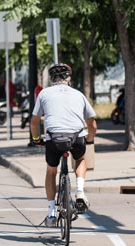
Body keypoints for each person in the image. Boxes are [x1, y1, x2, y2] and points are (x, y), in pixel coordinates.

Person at [30, 63, 97, 228]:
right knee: (80, 159)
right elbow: (92, 123)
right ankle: (80, 191)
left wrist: (37, 138)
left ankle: (51, 213)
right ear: (69, 78)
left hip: (54, 138)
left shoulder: (44, 94)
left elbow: (34, 121)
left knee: (51, 170)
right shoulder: (78, 94)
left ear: (52, 79)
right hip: (76, 137)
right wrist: (90, 138)